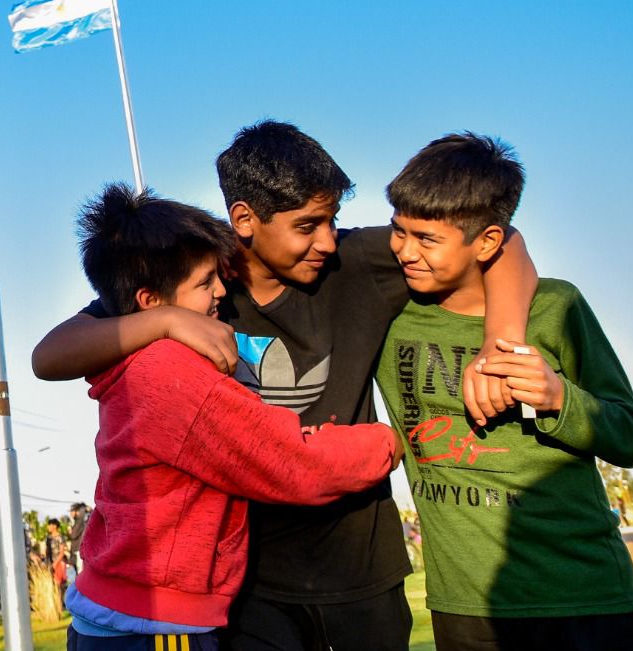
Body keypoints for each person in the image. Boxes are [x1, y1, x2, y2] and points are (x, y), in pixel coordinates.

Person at [34, 121, 539, 651]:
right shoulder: (196, 280)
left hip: (361, 573)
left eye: (332, 219)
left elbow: (500, 240)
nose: (327, 240)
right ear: (244, 220)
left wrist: (500, 347)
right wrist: (165, 323)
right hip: (251, 593)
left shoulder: (356, 262)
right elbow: (49, 356)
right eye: (307, 225)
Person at [65, 184, 402, 651]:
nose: (223, 290)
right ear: (148, 302)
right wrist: (385, 442)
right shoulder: (168, 371)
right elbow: (292, 464)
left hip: (128, 611)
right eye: (205, 283)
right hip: (158, 623)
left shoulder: (137, 358)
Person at [375, 133, 633, 650]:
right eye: (398, 231)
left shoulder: (558, 306)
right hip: (466, 606)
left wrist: (558, 398)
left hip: (587, 596)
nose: (405, 252)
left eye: (427, 240)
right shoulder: (389, 313)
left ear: (485, 241)